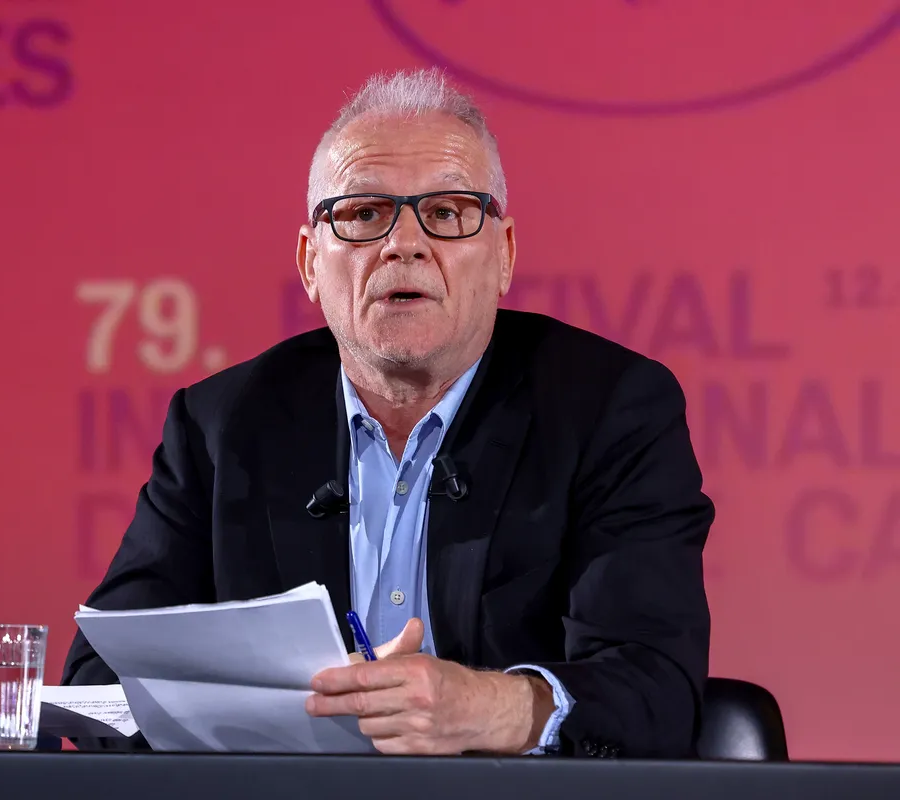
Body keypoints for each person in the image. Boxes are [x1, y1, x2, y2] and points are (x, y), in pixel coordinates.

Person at [62, 67, 713, 759]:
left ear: (504, 255)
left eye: (448, 212)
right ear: (312, 264)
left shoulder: (611, 409)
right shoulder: (222, 426)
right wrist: (253, 720)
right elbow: (97, 683)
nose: (404, 244)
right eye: (365, 214)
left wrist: (486, 708)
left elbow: (655, 690)